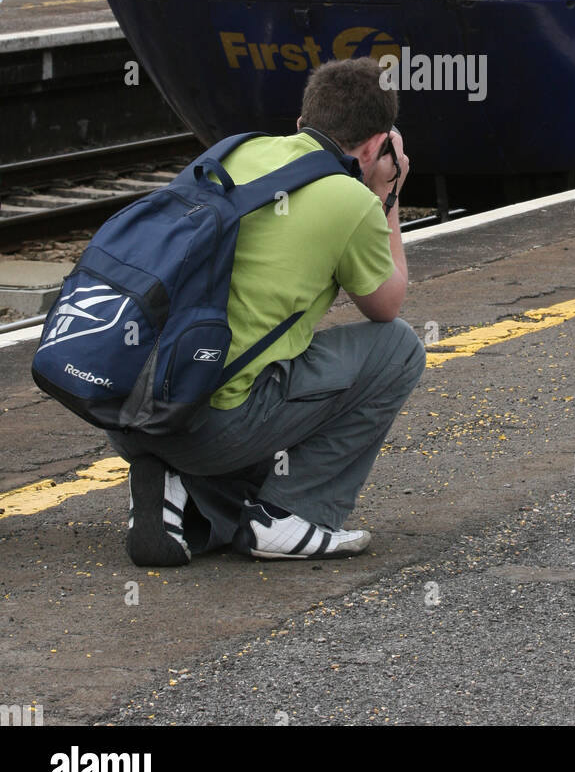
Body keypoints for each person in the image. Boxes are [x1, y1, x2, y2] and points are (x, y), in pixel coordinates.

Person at [109, 56, 425, 566]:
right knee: (399, 350)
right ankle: (288, 515)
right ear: (376, 146)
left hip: (128, 407)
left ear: (301, 124)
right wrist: (386, 195)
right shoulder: (351, 199)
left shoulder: (237, 150)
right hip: (209, 428)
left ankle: (175, 489)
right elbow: (387, 304)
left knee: (245, 378)